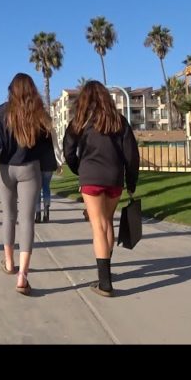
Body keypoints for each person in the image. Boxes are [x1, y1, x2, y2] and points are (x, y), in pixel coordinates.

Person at [0, 73, 55, 296]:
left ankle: (10, 264)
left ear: (11, 90)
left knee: (8, 216)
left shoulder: (1, 112)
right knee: (27, 219)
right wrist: (48, 167)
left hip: (5, 169)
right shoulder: (38, 114)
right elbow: (46, 148)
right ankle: (23, 275)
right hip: (29, 170)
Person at [62, 81, 139, 298]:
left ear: (84, 100)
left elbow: (68, 150)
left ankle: (105, 282)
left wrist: (79, 169)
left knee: (98, 225)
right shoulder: (119, 121)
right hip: (114, 178)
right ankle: (107, 271)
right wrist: (131, 181)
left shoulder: (79, 122)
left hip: (91, 177)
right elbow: (131, 155)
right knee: (107, 222)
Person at [35, 133, 58, 223]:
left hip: (37, 163)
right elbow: (56, 148)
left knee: (37, 189)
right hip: (49, 163)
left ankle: (37, 214)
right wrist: (59, 162)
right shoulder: (50, 132)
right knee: (46, 187)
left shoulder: (35, 130)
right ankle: (46, 211)